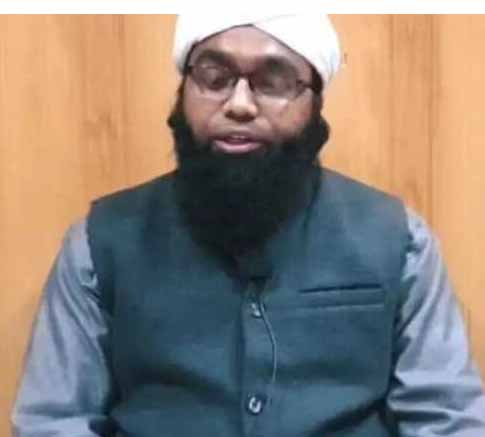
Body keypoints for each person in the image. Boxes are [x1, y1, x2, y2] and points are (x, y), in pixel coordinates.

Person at [11, 14, 485, 437]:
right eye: (214, 77)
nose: (239, 104)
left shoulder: (398, 240)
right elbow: (53, 422)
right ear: (183, 91)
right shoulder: (99, 245)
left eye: (273, 81)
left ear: (315, 102)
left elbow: (447, 419)